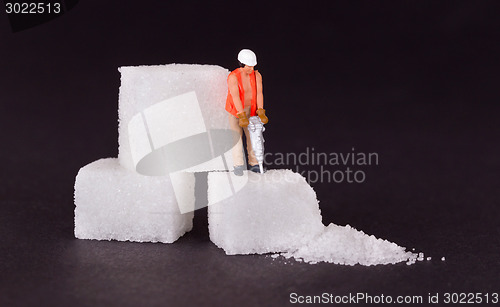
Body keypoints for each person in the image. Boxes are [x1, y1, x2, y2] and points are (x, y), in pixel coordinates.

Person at [225, 49, 268, 176]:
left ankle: (254, 164)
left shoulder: (257, 75)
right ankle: (238, 165)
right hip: (236, 111)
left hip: (252, 110)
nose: (251, 69)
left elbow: (259, 93)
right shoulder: (233, 77)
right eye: (248, 66)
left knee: (253, 137)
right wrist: (241, 114)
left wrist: (260, 110)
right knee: (236, 137)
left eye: (253, 66)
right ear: (241, 64)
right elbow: (235, 96)